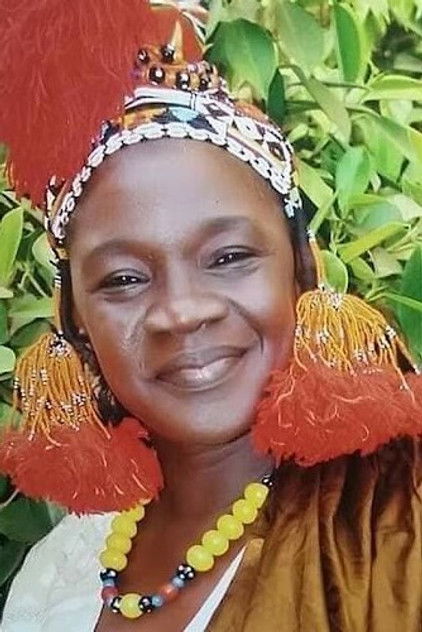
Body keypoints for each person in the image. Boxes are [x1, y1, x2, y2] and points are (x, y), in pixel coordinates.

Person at [0, 1, 422, 631]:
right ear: (74, 318)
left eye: (228, 257)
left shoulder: (395, 525)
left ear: (303, 270)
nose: (181, 312)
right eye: (124, 279)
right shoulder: (56, 574)